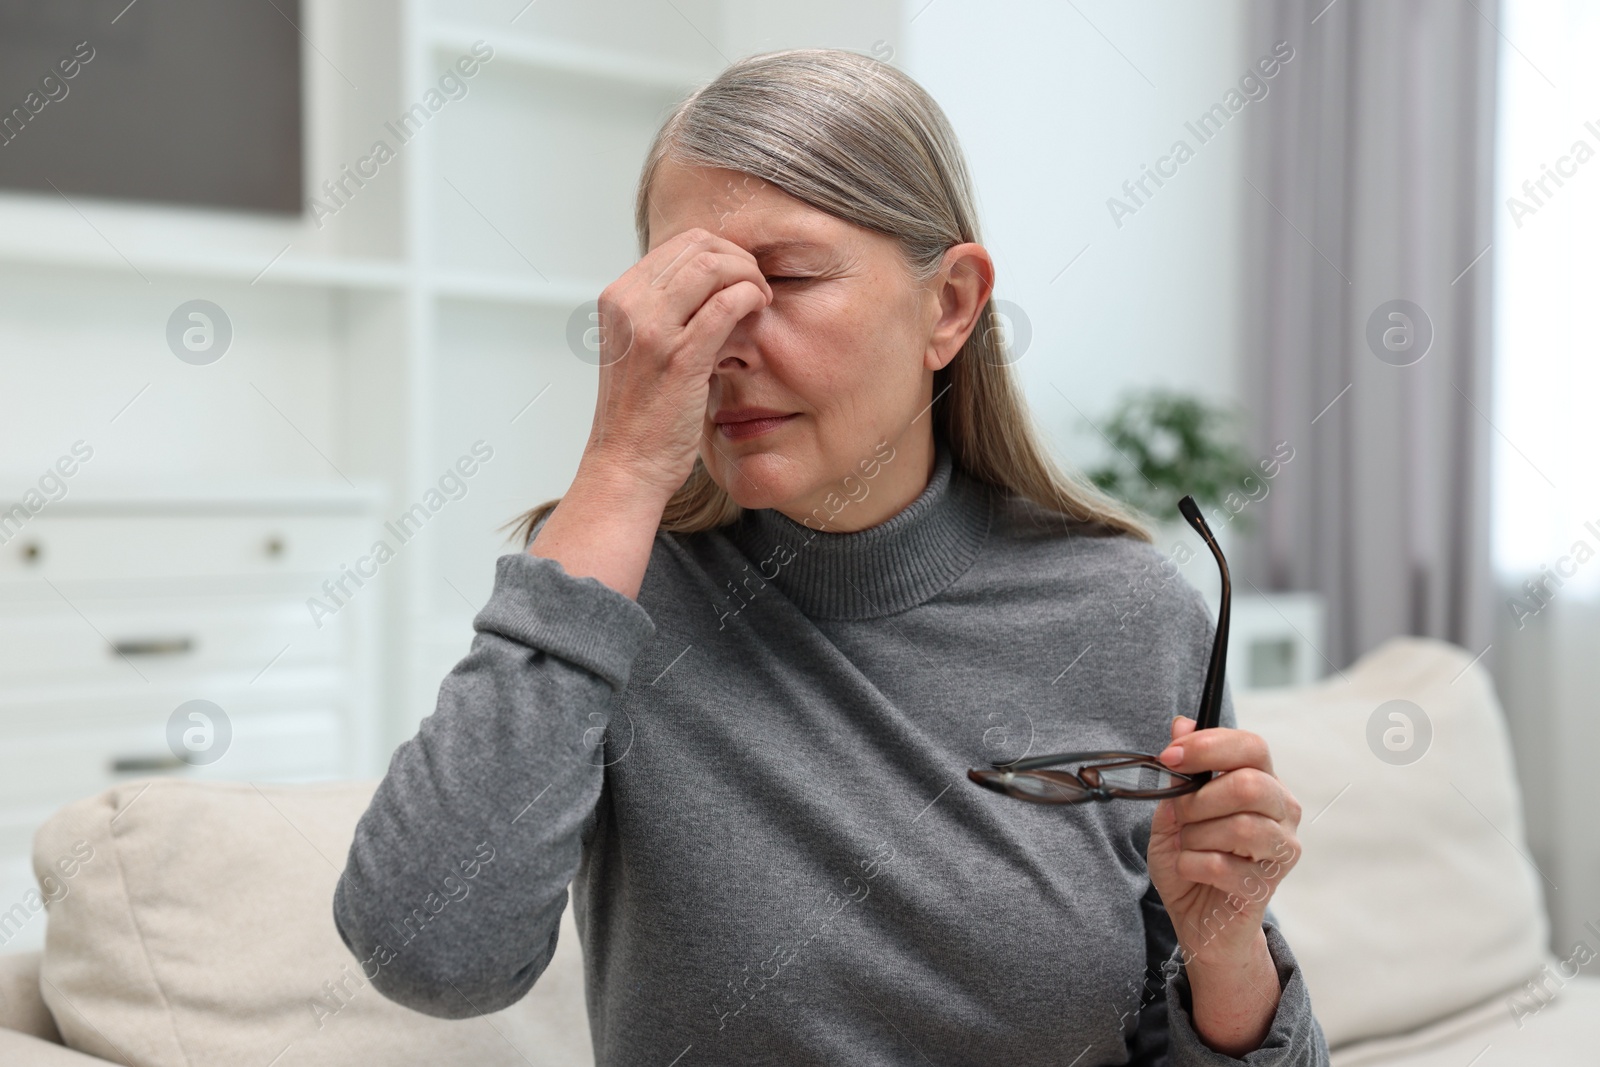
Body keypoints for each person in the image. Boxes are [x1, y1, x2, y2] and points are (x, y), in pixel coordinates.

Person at [333, 48, 1331, 1066]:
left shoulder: (1123, 609)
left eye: (786, 278)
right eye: (691, 292)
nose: (724, 343)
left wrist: (1227, 952)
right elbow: (428, 953)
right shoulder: (611, 590)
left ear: (948, 305)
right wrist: (624, 465)